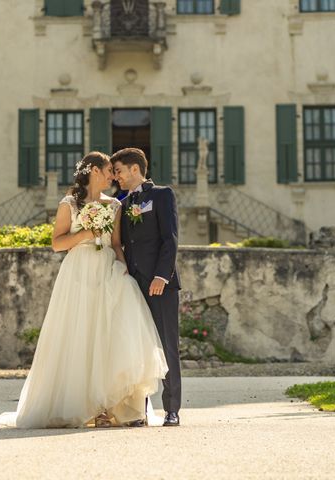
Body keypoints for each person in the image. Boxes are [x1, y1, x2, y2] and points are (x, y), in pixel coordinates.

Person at [0, 151, 167, 428]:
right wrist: (86, 233)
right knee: (81, 334)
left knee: (110, 334)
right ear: (94, 172)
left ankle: (110, 406)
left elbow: (115, 243)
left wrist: (123, 269)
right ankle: (86, 407)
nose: (114, 175)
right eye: (110, 170)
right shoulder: (70, 204)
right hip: (79, 270)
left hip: (107, 269)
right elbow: (57, 243)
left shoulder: (115, 205)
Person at [111, 147, 182, 427]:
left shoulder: (162, 195)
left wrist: (161, 276)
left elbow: (170, 238)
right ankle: (139, 411)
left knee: (166, 346)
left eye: (118, 171)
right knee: (137, 347)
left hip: (160, 284)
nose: (116, 177)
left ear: (135, 170)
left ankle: (172, 409)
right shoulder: (124, 203)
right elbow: (124, 244)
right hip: (134, 285)